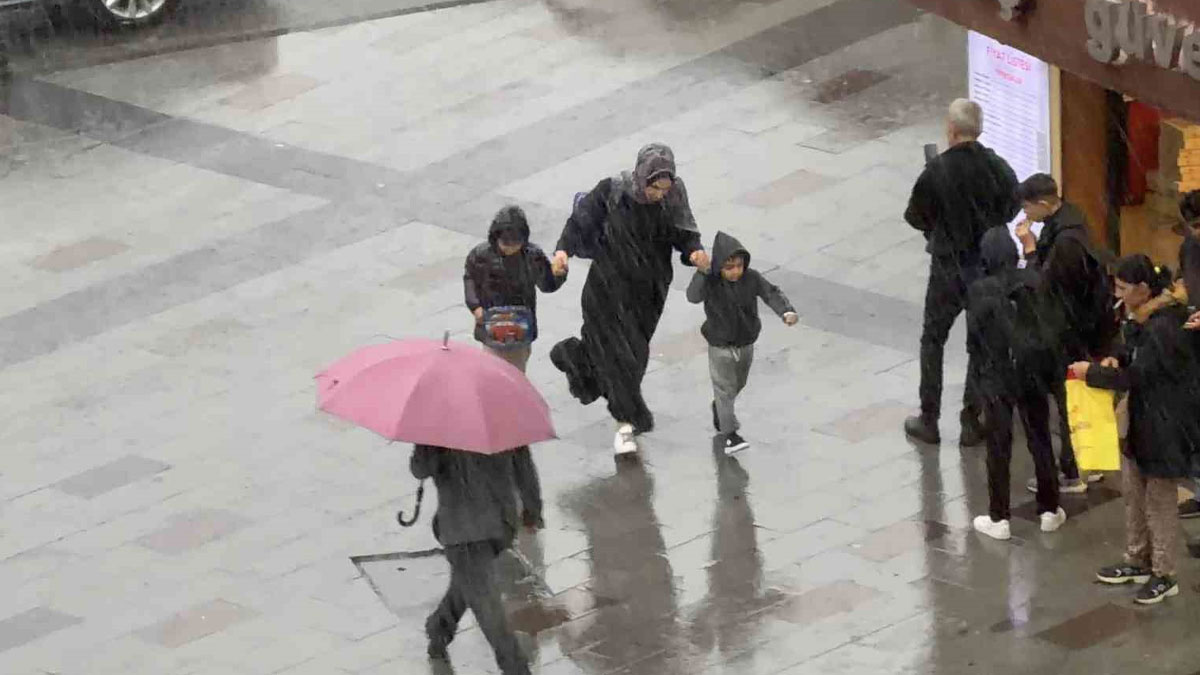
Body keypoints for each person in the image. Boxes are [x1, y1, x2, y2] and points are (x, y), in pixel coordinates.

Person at [550, 143, 709, 455]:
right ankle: (626, 423)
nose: (659, 194)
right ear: (642, 177)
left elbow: (685, 234)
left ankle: (573, 358)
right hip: (606, 285)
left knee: (633, 356)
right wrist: (562, 252)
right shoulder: (612, 191)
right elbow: (578, 223)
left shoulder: (674, 196)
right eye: (655, 187)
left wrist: (695, 252)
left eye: (665, 188)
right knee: (612, 352)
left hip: (648, 292)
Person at [1071, 256, 1200, 605]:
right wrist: (1118, 357)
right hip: (1142, 420)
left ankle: (1164, 572)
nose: (1118, 293)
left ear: (1144, 290)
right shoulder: (1141, 320)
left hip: (1165, 426)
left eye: (1125, 288)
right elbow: (1132, 360)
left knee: (1159, 502)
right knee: (1134, 493)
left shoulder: (1165, 327)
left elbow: (1140, 375)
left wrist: (1093, 374)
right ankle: (1137, 559)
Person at [903, 99, 1020, 447]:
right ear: (978, 130)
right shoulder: (997, 166)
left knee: (933, 339)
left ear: (950, 130)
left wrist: (941, 228)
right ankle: (971, 419)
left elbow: (915, 216)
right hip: (982, 268)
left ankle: (929, 417)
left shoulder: (937, 170)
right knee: (979, 345)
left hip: (946, 266)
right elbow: (1012, 205)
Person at [1013, 173, 1118, 494]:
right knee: (1075, 394)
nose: (1024, 214)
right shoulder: (1070, 223)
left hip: (1071, 331)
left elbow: (1046, 288)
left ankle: (1073, 471)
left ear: (1044, 204)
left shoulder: (1066, 241)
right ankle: (1087, 461)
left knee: (1068, 397)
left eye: (1027, 207)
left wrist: (1030, 251)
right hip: (1080, 326)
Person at [968, 229, 1067, 540]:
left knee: (999, 445)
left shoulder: (980, 290)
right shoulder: (1033, 280)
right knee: (1039, 436)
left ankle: (999, 516)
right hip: (1032, 370)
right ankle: (1050, 508)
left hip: (998, 375)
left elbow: (975, 341)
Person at [410, 444, 532, 674]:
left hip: (476, 527)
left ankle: (439, 627)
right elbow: (523, 464)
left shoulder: (437, 427)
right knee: (487, 605)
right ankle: (516, 669)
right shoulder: (498, 416)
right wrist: (532, 507)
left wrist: (424, 446)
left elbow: (419, 469)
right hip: (476, 529)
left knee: (471, 588)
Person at [686, 231, 798, 455]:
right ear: (719, 266)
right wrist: (701, 272)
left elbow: (770, 293)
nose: (735, 271)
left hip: (746, 343)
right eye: (729, 267)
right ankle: (730, 435)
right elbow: (693, 296)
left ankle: (720, 408)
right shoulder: (711, 281)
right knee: (725, 388)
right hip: (720, 347)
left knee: (738, 384)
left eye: (739, 265)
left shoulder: (752, 278)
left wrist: (785, 311)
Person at [464, 204, 567, 372]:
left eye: (515, 243)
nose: (510, 248)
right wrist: (475, 306)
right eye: (506, 243)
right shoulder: (481, 255)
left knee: (516, 369)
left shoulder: (532, 256)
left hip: (520, 324)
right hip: (492, 322)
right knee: (493, 367)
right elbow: (470, 279)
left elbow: (547, 284)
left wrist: (559, 273)